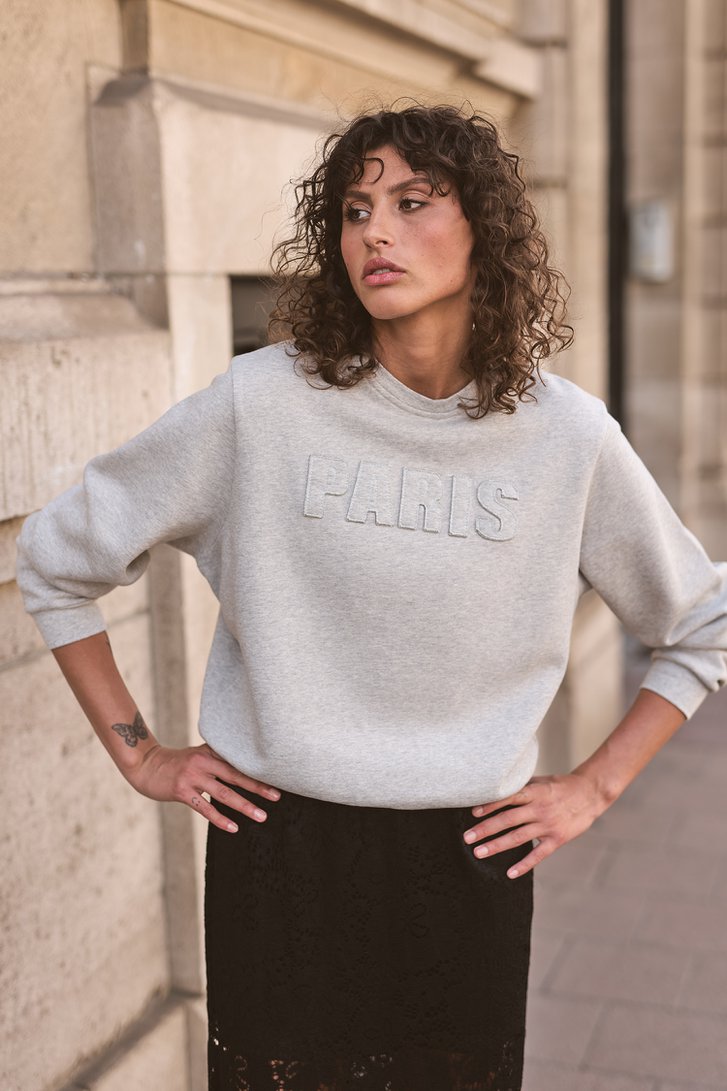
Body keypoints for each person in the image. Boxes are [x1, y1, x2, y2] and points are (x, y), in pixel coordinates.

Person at [15, 102, 727, 1091]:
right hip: (278, 859)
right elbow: (54, 560)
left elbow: (701, 622)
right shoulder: (259, 405)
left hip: (468, 864)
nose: (375, 232)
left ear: (482, 224)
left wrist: (591, 785)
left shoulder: (566, 439)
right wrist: (142, 757)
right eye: (353, 209)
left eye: (411, 201)